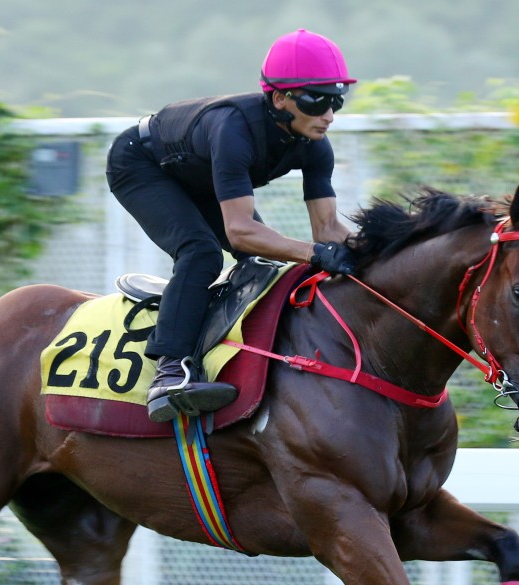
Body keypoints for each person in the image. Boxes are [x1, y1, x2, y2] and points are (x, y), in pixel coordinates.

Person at [106, 28, 358, 423]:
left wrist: (378, 252)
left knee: (263, 260)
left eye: (336, 101)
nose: (328, 115)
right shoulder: (234, 129)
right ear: (279, 98)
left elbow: (327, 230)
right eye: (316, 100)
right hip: (142, 164)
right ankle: (170, 371)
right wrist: (313, 254)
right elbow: (240, 231)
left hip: (197, 172)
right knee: (201, 252)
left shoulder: (315, 145)